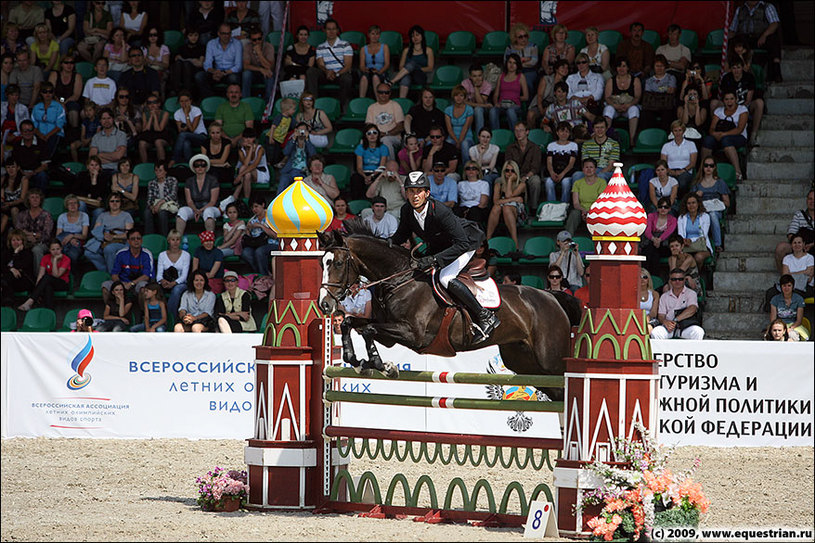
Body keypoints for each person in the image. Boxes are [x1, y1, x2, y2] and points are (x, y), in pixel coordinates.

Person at [391, 171, 499, 342]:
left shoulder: (440, 210)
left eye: (418, 191)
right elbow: (399, 237)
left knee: (445, 278)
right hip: (443, 245)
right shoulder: (406, 210)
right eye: (410, 191)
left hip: (466, 242)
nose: (414, 195)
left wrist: (435, 259)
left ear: (426, 193)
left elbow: (461, 243)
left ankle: (485, 316)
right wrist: (382, 245)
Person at [729, 0, 783, 83]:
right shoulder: (740, 10)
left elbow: (774, 23)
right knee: (735, 41)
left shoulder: (767, 7)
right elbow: (733, 29)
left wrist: (764, 35)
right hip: (745, 39)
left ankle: (776, 69)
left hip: (761, 37)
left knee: (774, 39)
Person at [701, 91, 748, 182]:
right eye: (726, 99)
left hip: (738, 137)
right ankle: (704, 171)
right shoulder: (719, 111)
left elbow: (739, 129)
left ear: (736, 100)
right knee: (708, 140)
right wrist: (716, 134)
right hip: (720, 136)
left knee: (726, 140)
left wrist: (723, 134)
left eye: (732, 99)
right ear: (723, 101)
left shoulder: (742, 110)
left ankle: (738, 173)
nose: (729, 102)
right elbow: (711, 129)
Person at [715, 59, 764, 146]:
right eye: (734, 68)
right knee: (714, 103)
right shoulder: (726, 78)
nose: (736, 70)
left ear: (742, 68)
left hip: (745, 106)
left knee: (759, 103)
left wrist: (740, 109)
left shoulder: (749, 77)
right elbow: (725, 97)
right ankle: (717, 132)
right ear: (730, 69)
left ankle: (753, 135)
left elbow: (748, 99)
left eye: (738, 67)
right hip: (729, 105)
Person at [306, 18, 353, 107]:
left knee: (347, 78)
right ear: (324, 31)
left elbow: (348, 65)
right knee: (311, 71)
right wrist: (327, 72)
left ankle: (343, 107)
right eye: (328, 29)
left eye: (333, 29)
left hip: (340, 74)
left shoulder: (345, 45)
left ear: (337, 30)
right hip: (326, 74)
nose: (331, 31)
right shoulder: (320, 47)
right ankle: (312, 105)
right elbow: (320, 64)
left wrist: (336, 74)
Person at [102, 226, 153, 305]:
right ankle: (111, 311)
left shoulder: (146, 254)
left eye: (138, 238)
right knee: (105, 286)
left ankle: (143, 313)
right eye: (133, 239)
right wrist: (120, 284)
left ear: (141, 240)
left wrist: (132, 283)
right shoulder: (121, 253)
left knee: (143, 287)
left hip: (137, 283)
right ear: (128, 241)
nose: (136, 241)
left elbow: (146, 276)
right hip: (122, 282)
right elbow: (114, 274)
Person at [650, 268, 705, 340]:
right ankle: (664, 351)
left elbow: (692, 309)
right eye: (674, 279)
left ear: (685, 280)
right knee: (656, 332)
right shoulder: (664, 296)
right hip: (669, 327)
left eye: (680, 279)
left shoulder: (691, 293)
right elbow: (661, 315)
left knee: (698, 331)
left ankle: (690, 351)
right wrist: (665, 322)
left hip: (685, 326)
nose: (677, 281)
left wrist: (676, 320)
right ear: (670, 281)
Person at [17, 237, 70, 312]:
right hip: (49, 282)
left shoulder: (66, 259)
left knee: (47, 277)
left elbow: (56, 275)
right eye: (53, 249)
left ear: (61, 249)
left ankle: (30, 301)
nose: (55, 252)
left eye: (58, 249)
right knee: (47, 286)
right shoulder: (45, 258)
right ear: (49, 250)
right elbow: (40, 275)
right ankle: (49, 312)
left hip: (62, 283)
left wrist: (55, 260)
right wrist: (38, 290)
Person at [691, 161, 730, 253]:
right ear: (702, 167)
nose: (708, 168)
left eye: (711, 166)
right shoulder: (697, 183)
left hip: (715, 210)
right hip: (701, 209)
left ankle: (717, 245)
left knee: (712, 215)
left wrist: (715, 203)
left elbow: (727, 203)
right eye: (706, 165)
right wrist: (696, 196)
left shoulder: (720, 182)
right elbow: (690, 201)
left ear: (714, 168)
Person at [177, 154, 221, 235]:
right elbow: (189, 201)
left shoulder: (213, 180)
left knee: (208, 212)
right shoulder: (189, 181)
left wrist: (200, 211)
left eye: (203, 165)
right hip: (194, 208)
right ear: (193, 167)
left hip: (210, 207)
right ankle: (178, 238)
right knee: (182, 211)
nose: (200, 167)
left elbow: (213, 201)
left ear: (206, 167)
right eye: (197, 165)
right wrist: (195, 210)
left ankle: (210, 239)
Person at [504, 120, 542, 213]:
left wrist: (527, 177)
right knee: (498, 180)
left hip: (529, 175)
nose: (518, 133)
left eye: (521, 130)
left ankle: (534, 208)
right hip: (514, 174)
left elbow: (535, 167)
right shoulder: (510, 148)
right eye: (516, 131)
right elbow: (508, 164)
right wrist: (515, 176)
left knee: (536, 181)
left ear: (527, 132)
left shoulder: (535, 148)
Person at [486, 160, 526, 248]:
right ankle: (487, 240)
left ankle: (515, 243)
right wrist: (515, 199)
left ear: (516, 172)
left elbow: (508, 195)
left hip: (518, 214)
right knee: (496, 207)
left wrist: (510, 181)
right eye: (507, 170)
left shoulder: (521, 184)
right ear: (503, 172)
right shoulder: (498, 184)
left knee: (506, 208)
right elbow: (496, 201)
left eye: (512, 171)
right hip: (500, 213)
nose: (510, 173)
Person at [195, 23, 242, 98]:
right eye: (224, 33)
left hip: (230, 72)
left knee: (234, 78)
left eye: (228, 33)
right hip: (216, 72)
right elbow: (207, 64)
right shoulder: (211, 43)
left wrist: (223, 73)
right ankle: (210, 100)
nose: (226, 36)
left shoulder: (237, 43)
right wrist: (214, 72)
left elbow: (238, 66)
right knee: (199, 76)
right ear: (218, 33)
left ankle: (229, 102)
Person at [603, 56, 641, 145]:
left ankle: (632, 139)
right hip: (615, 106)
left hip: (629, 106)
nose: (621, 68)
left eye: (624, 66)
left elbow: (637, 97)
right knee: (608, 110)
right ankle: (605, 137)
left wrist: (628, 105)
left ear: (628, 68)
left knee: (634, 110)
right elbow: (607, 97)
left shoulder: (635, 80)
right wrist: (616, 106)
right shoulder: (611, 80)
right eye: (619, 66)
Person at [775, 189, 814, 273]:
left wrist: (811, 245)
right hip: (800, 245)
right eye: (810, 199)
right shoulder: (799, 215)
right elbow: (791, 234)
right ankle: (784, 279)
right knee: (781, 248)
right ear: (807, 201)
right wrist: (800, 245)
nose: (812, 201)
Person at [14, 188, 54, 270]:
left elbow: (46, 235)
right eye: (32, 197)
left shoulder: (46, 215)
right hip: (25, 241)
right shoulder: (22, 214)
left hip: (42, 243)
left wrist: (33, 236)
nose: (35, 199)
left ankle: (38, 277)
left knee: (37, 250)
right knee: (15, 245)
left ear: (40, 200)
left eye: (37, 197)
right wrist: (30, 236)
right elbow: (18, 231)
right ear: (28, 200)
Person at [565, 158, 607, 236]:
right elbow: (576, 203)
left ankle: (596, 242)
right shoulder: (577, 183)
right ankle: (567, 240)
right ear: (583, 169)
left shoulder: (602, 182)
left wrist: (589, 212)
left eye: (591, 167)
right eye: (586, 167)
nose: (589, 169)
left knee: (595, 217)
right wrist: (583, 210)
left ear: (595, 169)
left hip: (595, 211)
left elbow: (601, 202)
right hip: (581, 211)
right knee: (574, 213)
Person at [390, 25, 434, 99]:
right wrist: (410, 70)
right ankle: (402, 101)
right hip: (408, 75)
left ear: (422, 36)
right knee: (405, 78)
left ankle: (392, 81)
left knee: (412, 64)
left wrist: (415, 68)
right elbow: (401, 67)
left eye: (417, 35)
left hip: (420, 76)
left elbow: (430, 68)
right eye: (413, 36)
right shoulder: (406, 50)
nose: (415, 38)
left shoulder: (428, 50)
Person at [157, 229, 191, 318]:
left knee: (176, 290)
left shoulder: (186, 255)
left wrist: (174, 283)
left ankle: (170, 317)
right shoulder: (162, 255)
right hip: (165, 282)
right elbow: (158, 275)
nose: (175, 242)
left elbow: (184, 276)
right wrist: (163, 281)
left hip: (180, 283)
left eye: (178, 239)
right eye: (173, 240)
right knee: (154, 289)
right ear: (168, 241)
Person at [241, 194, 278, 276]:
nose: (254, 209)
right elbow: (251, 237)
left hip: (272, 244)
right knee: (246, 252)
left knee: (260, 252)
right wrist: (248, 230)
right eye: (252, 207)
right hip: (257, 244)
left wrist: (261, 226)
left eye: (256, 206)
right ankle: (260, 274)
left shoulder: (271, 217)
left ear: (263, 205)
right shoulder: (252, 220)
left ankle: (264, 276)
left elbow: (276, 236)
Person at [529, 59, 571, 129]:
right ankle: (533, 134)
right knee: (530, 114)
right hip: (541, 103)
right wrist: (541, 109)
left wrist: (549, 109)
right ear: (557, 69)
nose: (565, 69)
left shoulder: (566, 83)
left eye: (567, 68)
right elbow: (540, 96)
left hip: (555, 106)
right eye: (563, 67)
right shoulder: (546, 79)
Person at [490, 53, 528, 131]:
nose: (511, 65)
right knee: (493, 111)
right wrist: (496, 103)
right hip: (502, 104)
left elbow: (526, 96)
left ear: (517, 65)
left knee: (510, 111)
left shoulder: (521, 77)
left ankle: (516, 135)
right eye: (510, 62)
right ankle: (495, 135)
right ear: (506, 63)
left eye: (514, 63)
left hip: (514, 105)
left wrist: (513, 99)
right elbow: (496, 94)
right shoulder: (501, 76)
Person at [350, 123, 388, 200]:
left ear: (378, 135)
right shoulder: (360, 148)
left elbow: (382, 166)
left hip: (377, 172)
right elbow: (359, 167)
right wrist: (366, 177)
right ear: (365, 136)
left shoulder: (383, 148)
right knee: (355, 178)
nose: (372, 135)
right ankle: (357, 202)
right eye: (369, 133)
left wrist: (372, 176)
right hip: (364, 173)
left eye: (375, 133)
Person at [366, 82, 404, 158]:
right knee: (362, 142)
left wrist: (386, 133)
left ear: (390, 93)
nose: (384, 95)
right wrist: (377, 135)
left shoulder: (395, 105)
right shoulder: (371, 107)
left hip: (394, 137)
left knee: (386, 140)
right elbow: (368, 126)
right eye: (381, 92)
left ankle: (390, 167)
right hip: (376, 136)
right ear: (377, 93)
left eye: (386, 92)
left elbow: (400, 126)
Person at [641, 196, 677, 275]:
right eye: (660, 207)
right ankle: (651, 276)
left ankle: (648, 276)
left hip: (664, 244)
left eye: (666, 207)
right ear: (657, 208)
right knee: (652, 252)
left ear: (670, 209)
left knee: (653, 252)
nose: (663, 209)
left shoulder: (673, 220)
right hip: (650, 242)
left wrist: (659, 239)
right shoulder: (651, 216)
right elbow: (647, 231)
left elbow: (669, 232)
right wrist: (654, 239)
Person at [277, 121, 316, 196]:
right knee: (283, 181)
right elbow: (286, 152)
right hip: (289, 170)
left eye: (304, 130)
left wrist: (307, 140)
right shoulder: (292, 142)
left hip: (303, 172)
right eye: (300, 130)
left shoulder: (309, 143)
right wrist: (294, 138)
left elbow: (313, 154)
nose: (301, 132)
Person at [575, 117, 619, 182]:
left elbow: (610, 166)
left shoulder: (614, 144)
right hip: (591, 170)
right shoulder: (586, 144)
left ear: (606, 129)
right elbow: (585, 163)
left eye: (602, 127)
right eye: (597, 127)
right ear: (593, 129)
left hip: (607, 172)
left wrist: (595, 176)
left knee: (601, 176)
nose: (599, 130)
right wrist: (591, 174)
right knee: (577, 175)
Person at [660, 120, 698, 195]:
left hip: (685, 171)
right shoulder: (666, 146)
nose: (678, 133)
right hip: (670, 171)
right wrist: (670, 171)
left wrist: (682, 171)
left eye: (680, 130)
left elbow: (693, 163)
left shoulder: (691, 144)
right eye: (675, 131)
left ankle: (679, 200)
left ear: (683, 131)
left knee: (682, 182)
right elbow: (663, 163)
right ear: (672, 132)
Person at [677, 193, 713, 272]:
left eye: (693, 203)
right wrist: (684, 240)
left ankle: (697, 275)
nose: (691, 205)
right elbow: (680, 234)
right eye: (689, 203)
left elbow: (703, 234)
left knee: (698, 257)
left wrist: (691, 240)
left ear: (698, 204)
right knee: (681, 258)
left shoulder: (705, 216)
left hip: (702, 246)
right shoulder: (682, 217)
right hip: (686, 246)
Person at [640, 55, 676, 133]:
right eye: (657, 66)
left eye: (662, 66)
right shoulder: (649, 80)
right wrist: (664, 90)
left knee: (668, 114)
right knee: (646, 114)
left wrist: (655, 92)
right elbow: (648, 95)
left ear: (665, 66)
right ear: (654, 67)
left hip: (666, 106)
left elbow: (671, 91)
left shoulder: (671, 78)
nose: (659, 68)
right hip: (652, 106)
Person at [544, 121, 578, 203]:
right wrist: (552, 173)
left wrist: (562, 174)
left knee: (566, 183)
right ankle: (551, 205)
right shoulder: (551, 145)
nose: (564, 134)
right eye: (562, 131)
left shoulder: (573, 145)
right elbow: (549, 162)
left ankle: (564, 206)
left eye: (567, 131)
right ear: (557, 132)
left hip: (567, 173)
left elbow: (571, 164)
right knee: (549, 183)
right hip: (553, 172)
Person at [11, 119, 49, 190]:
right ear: (21, 132)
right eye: (25, 131)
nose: (28, 133)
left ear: (34, 131)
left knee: (42, 176)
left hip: (36, 172)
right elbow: (14, 163)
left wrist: (33, 172)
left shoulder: (42, 144)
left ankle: (40, 198)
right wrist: (22, 172)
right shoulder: (16, 144)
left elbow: (45, 165)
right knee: (12, 174)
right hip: (21, 171)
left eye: (30, 130)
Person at [171, 90, 207, 166]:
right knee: (186, 143)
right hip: (188, 137)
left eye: (186, 101)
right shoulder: (177, 113)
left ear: (190, 101)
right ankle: (189, 164)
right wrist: (184, 128)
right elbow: (180, 130)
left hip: (201, 136)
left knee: (183, 135)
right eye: (182, 101)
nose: (184, 103)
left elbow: (192, 129)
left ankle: (174, 159)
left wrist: (187, 114)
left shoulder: (196, 110)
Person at [232, 127, 268, 200]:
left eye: (251, 137)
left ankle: (235, 195)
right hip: (246, 173)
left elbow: (254, 165)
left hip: (260, 172)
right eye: (246, 137)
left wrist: (239, 175)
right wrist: (250, 150)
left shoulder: (260, 149)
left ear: (254, 138)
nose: (248, 139)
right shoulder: (241, 150)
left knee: (244, 170)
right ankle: (246, 199)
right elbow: (245, 164)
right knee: (247, 174)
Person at [0, 229, 35, 306]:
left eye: (18, 240)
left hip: (23, 280)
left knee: (6, 278)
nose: (15, 242)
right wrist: (11, 269)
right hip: (9, 280)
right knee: (8, 277)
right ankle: (7, 302)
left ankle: (7, 303)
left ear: (23, 241)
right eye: (13, 240)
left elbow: (18, 266)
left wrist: (16, 253)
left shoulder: (28, 253)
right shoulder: (7, 252)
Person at [48, 54, 83, 130]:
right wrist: (60, 104)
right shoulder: (54, 74)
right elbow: (50, 92)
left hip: (71, 101)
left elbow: (76, 95)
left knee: (73, 109)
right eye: (66, 63)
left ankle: (74, 132)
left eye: (71, 63)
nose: (69, 65)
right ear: (61, 64)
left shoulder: (77, 76)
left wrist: (64, 103)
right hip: (55, 100)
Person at [55, 194, 89, 272]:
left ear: (78, 205)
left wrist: (72, 236)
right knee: (59, 247)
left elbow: (84, 236)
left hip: (78, 240)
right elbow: (58, 235)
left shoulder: (84, 216)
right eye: (70, 203)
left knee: (72, 254)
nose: (72, 205)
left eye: (75, 203)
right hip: (64, 239)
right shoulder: (62, 217)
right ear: (66, 206)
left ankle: (71, 274)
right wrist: (70, 239)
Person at [769, 274, 808, 341]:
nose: (786, 288)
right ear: (781, 287)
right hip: (779, 325)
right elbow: (773, 320)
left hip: (794, 325)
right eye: (784, 286)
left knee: (792, 336)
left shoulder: (799, 299)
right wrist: (780, 329)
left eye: (789, 285)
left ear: (793, 286)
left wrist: (790, 328)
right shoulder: (775, 299)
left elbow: (799, 320)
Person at [170, 26, 205, 97]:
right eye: (191, 35)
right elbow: (177, 59)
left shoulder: (201, 47)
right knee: (178, 64)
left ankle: (187, 92)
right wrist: (192, 60)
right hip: (181, 72)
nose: (193, 38)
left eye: (196, 35)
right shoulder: (182, 48)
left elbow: (200, 64)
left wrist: (185, 60)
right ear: (187, 36)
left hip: (194, 71)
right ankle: (175, 90)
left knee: (186, 64)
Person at [241, 26, 274, 99]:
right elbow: (245, 66)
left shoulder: (269, 46)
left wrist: (259, 53)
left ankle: (268, 103)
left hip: (266, 72)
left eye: (259, 39)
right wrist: (260, 69)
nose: (257, 42)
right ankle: (245, 100)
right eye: (254, 40)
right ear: (250, 40)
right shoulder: (247, 47)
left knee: (270, 75)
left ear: (262, 38)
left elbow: (269, 66)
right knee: (246, 74)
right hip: (254, 72)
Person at [358, 24, 390, 99]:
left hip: (381, 72)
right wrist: (365, 69)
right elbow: (361, 65)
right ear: (369, 35)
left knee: (375, 77)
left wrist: (380, 71)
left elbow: (387, 64)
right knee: (364, 78)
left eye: (377, 34)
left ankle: (379, 101)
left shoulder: (384, 47)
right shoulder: (364, 49)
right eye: (373, 34)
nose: (375, 36)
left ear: (379, 35)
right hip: (369, 71)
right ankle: (361, 100)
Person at [445, 85, 475, 162]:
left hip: (466, 137)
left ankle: (467, 169)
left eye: (461, 95)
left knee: (464, 144)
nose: (458, 98)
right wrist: (456, 141)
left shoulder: (469, 109)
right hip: (452, 137)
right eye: (456, 95)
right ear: (453, 97)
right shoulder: (448, 110)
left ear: (464, 97)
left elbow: (466, 127)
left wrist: (460, 141)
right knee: (448, 143)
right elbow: (449, 128)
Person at [505, 23, 538, 92]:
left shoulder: (533, 46)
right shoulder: (510, 48)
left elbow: (534, 61)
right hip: (513, 71)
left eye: (525, 36)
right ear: (515, 38)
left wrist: (517, 63)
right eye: (520, 37)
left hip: (529, 71)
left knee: (527, 83)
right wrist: (526, 59)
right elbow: (506, 61)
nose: (524, 39)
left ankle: (529, 102)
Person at [461, 64, 493, 136]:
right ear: (470, 76)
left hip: (483, 110)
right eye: (474, 76)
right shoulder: (465, 83)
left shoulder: (487, 85)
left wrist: (475, 88)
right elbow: (464, 102)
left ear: (483, 75)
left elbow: (480, 102)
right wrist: (483, 105)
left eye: (479, 75)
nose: (477, 79)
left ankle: (480, 136)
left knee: (478, 109)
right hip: (468, 108)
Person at [192, 229, 224, 294]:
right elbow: (194, 270)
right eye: (206, 241)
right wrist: (200, 277)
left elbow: (212, 274)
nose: (209, 243)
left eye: (210, 241)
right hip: (200, 278)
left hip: (215, 279)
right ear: (202, 243)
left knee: (206, 289)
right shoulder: (198, 250)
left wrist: (200, 276)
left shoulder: (218, 252)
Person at [10, 45, 43, 110]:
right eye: (19, 61)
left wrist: (30, 106)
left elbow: (36, 88)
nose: (22, 63)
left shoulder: (36, 70)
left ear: (29, 60)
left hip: (34, 104)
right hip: (19, 104)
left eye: (24, 60)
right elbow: (13, 89)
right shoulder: (14, 71)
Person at [1, 159, 29, 233]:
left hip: (19, 205)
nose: (11, 169)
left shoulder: (24, 179)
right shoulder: (3, 179)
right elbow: (2, 196)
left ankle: (18, 233)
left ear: (18, 168)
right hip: (6, 205)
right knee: (5, 215)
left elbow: (22, 198)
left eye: (13, 167)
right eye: (8, 167)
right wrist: (3, 203)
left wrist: (10, 204)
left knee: (14, 210)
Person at [639, 268, 662, 334]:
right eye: (639, 277)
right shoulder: (633, 294)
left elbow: (653, 314)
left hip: (651, 320)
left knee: (648, 328)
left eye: (645, 277)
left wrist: (646, 320)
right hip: (636, 318)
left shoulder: (654, 294)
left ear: (648, 279)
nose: (642, 279)